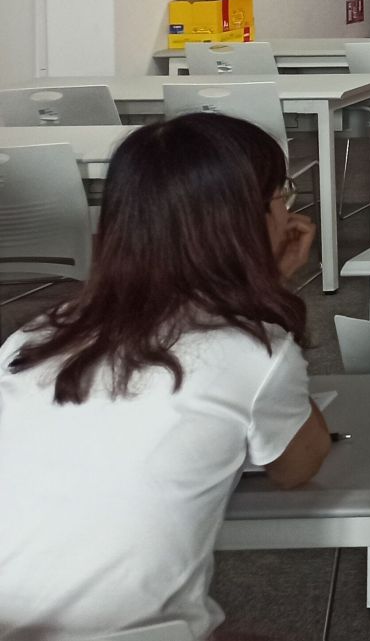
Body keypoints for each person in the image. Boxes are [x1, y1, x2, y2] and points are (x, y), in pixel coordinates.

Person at [0, 113, 331, 638]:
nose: (289, 212)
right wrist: (267, 293)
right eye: (281, 196)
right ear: (245, 222)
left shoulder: (32, 339)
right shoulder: (252, 350)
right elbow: (297, 467)